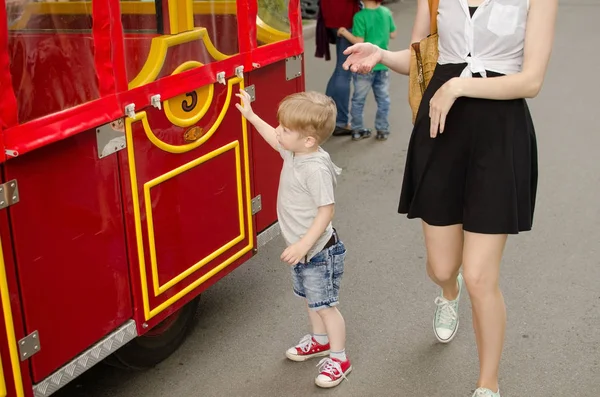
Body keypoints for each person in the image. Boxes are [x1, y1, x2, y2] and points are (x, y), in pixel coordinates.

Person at [342, 0, 557, 395]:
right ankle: (448, 291)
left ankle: (487, 385)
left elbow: (531, 81)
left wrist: (457, 85)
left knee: (481, 277)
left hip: (499, 135)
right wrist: (382, 55)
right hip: (441, 132)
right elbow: (420, 58)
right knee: (443, 268)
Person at [236, 90, 351, 388]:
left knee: (325, 304)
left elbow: (327, 211)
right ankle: (318, 341)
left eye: (285, 129)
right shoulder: (295, 150)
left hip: (317, 250)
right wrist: (250, 116)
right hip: (302, 249)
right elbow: (272, 138)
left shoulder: (314, 168)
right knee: (310, 300)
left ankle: (339, 358)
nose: (278, 131)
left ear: (309, 140)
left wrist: (302, 244)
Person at [337, 0, 396, 141]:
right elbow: (393, 34)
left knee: (358, 100)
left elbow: (359, 41)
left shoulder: (360, 16)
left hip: (364, 66)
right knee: (383, 99)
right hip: (382, 64)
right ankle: (382, 129)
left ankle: (357, 130)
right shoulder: (386, 12)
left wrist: (344, 32)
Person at [315, 0, 361, 136]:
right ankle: (340, 121)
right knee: (343, 71)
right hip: (346, 18)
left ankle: (325, 116)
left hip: (332, 15)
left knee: (339, 70)